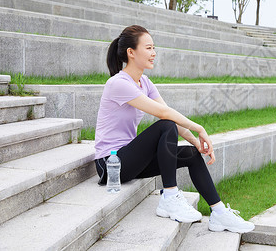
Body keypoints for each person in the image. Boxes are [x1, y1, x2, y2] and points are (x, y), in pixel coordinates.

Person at [94, 25, 254, 233]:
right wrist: (199, 128)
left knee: (190, 153)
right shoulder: (118, 83)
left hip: (130, 160)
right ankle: (169, 196)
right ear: (131, 53)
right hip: (110, 165)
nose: (154, 53)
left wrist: (196, 142)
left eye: (154, 48)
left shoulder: (145, 82)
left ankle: (219, 213)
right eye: (149, 48)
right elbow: (166, 116)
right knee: (165, 125)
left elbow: (168, 113)